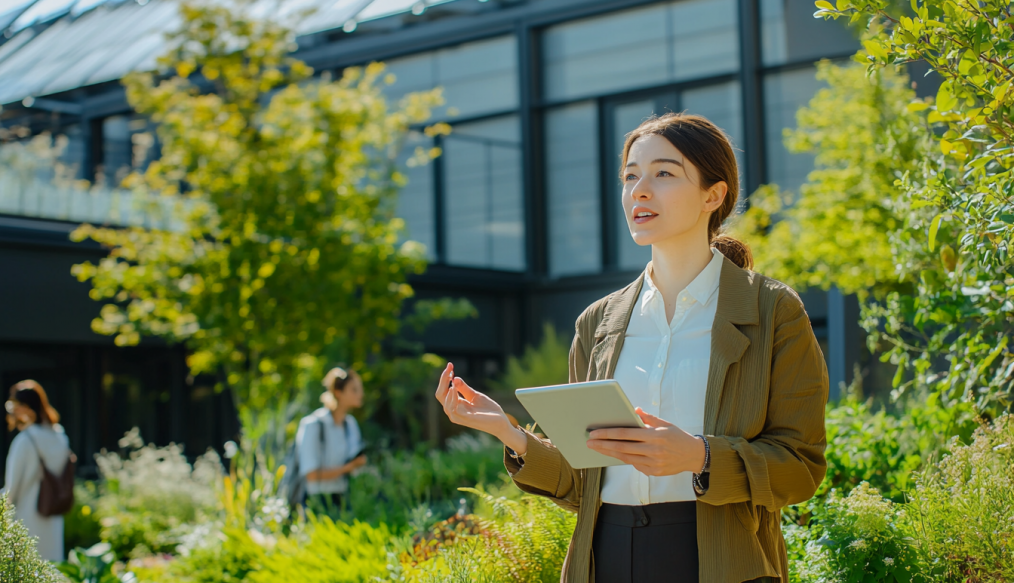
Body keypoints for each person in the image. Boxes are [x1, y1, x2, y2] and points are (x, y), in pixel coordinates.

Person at [434, 113, 828, 583]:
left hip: (718, 559)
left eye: (663, 173)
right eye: (630, 175)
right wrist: (510, 433)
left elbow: (801, 468)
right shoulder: (597, 323)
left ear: (713, 195)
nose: (640, 190)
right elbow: (583, 481)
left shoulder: (773, 311)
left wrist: (699, 457)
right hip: (606, 559)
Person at [3, 380, 72, 562]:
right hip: (52, 515)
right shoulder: (60, 437)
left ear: (26, 407)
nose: (11, 411)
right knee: (52, 569)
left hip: (26, 519)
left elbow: (11, 492)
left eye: (13, 405)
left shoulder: (25, 440)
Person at [295, 366, 366, 512]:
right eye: (354, 389)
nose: (361, 394)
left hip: (343, 497)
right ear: (338, 392)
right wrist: (348, 468)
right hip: (316, 501)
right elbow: (312, 475)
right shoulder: (313, 425)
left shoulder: (350, 424)